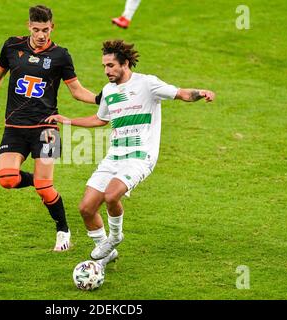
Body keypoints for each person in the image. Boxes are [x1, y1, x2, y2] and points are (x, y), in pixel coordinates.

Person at [45, 40, 215, 265]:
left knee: (111, 195)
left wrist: (200, 92)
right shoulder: (108, 91)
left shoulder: (147, 83)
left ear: (125, 64)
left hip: (140, 156)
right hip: (114, 156)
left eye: (111, 65)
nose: (107, 71)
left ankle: (115, 238)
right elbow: (100, 119)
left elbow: (181, 93)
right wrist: (68, 120)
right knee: (86, 208)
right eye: (104, 66)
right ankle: (106, 251)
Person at [0, 5, 98, 251]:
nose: (41, 35)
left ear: (53, 27)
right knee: (7, 179)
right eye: (37, 29)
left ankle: (63, 230)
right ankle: (39, 182)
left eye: (46, 29)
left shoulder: (60, 55)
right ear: (29, 26)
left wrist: (100, 100)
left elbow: (76, 90)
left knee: (45, 188)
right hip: (14, 128)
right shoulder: (11, 46)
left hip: (47, 129)